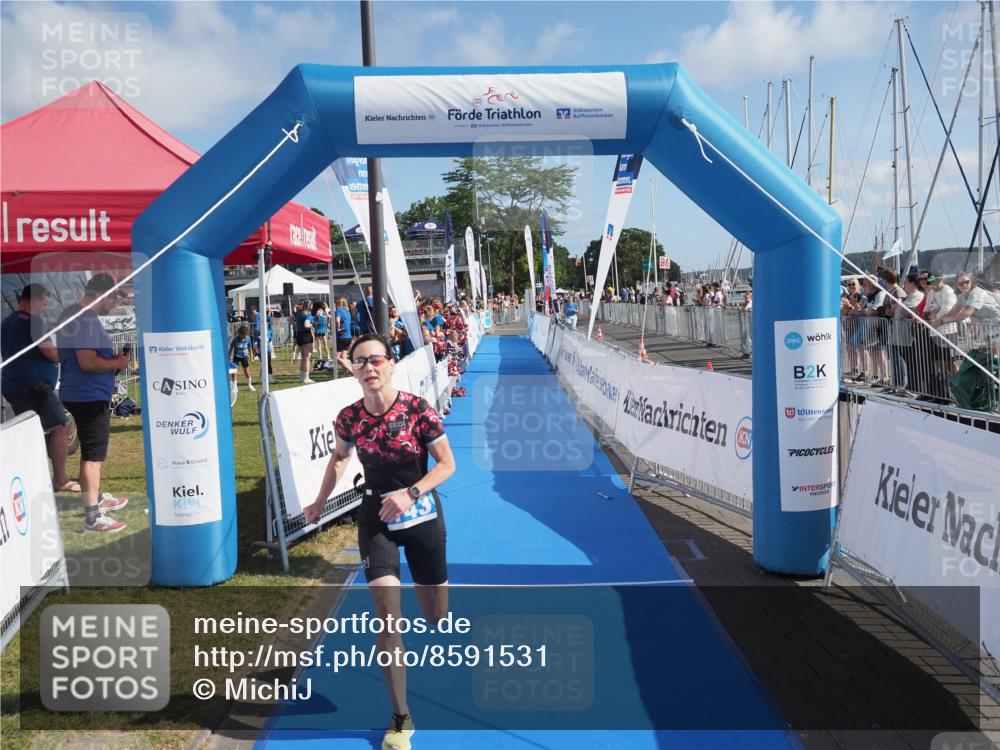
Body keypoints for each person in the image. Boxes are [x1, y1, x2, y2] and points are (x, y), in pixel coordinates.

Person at [305, 334, 455, 750]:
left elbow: (447, 464)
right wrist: (319, 502)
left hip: (421, 513)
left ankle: (438, 612)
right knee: (387, 619)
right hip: (376, 519)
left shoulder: (417, 410)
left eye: (375, 360)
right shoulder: (348, 417)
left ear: (390, 365)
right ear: (351, 369)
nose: (369, 367)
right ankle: (401, 718)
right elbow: (339, 458)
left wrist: (411, 493)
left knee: (436, 615)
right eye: (359, 362)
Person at [55, 274, 131, 533]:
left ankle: (96, 498)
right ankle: (92, 517)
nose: (114, 304)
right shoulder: (86, 318)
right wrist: (117, 364)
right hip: (88, 395)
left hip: (79, 392)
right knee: (93, 456)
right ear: (100, 294)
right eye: (113, 298)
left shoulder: (72, 313)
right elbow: (87, 361)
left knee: (91, 451)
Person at [1, 284, 76, 492]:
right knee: (61, 426)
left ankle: (32, 477)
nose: (43, 307)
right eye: (43, 303)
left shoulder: (6, 322)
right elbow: (50, 353)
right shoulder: (33, 322)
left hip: (13, 385)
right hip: (34, 387)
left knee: (32, 431)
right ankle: (60, 479)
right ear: (33, 300)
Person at [228, 324, 255, 391]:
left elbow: (250, 348)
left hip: (244, 357)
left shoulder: (248, 339)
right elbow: (231, 348)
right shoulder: (235, 339)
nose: (244, 336)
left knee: (246, 372)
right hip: (236, 356)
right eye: (243, 335)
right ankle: (234, 386)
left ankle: (249, 385)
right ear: (240, 333)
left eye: (245, 335)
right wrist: (229, 355)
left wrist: (251, 357)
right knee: (234, 371)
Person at [293, 300, 315, 384]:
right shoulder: (308, 315)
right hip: (306, 335)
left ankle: (302, 376)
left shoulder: (297, 313)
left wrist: (295, 325)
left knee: (303, 357)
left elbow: (289, 319)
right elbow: (306, 324)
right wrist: (312, 325)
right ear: (310, 306)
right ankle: (306, 377)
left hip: (299, 335)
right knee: (307, 358)